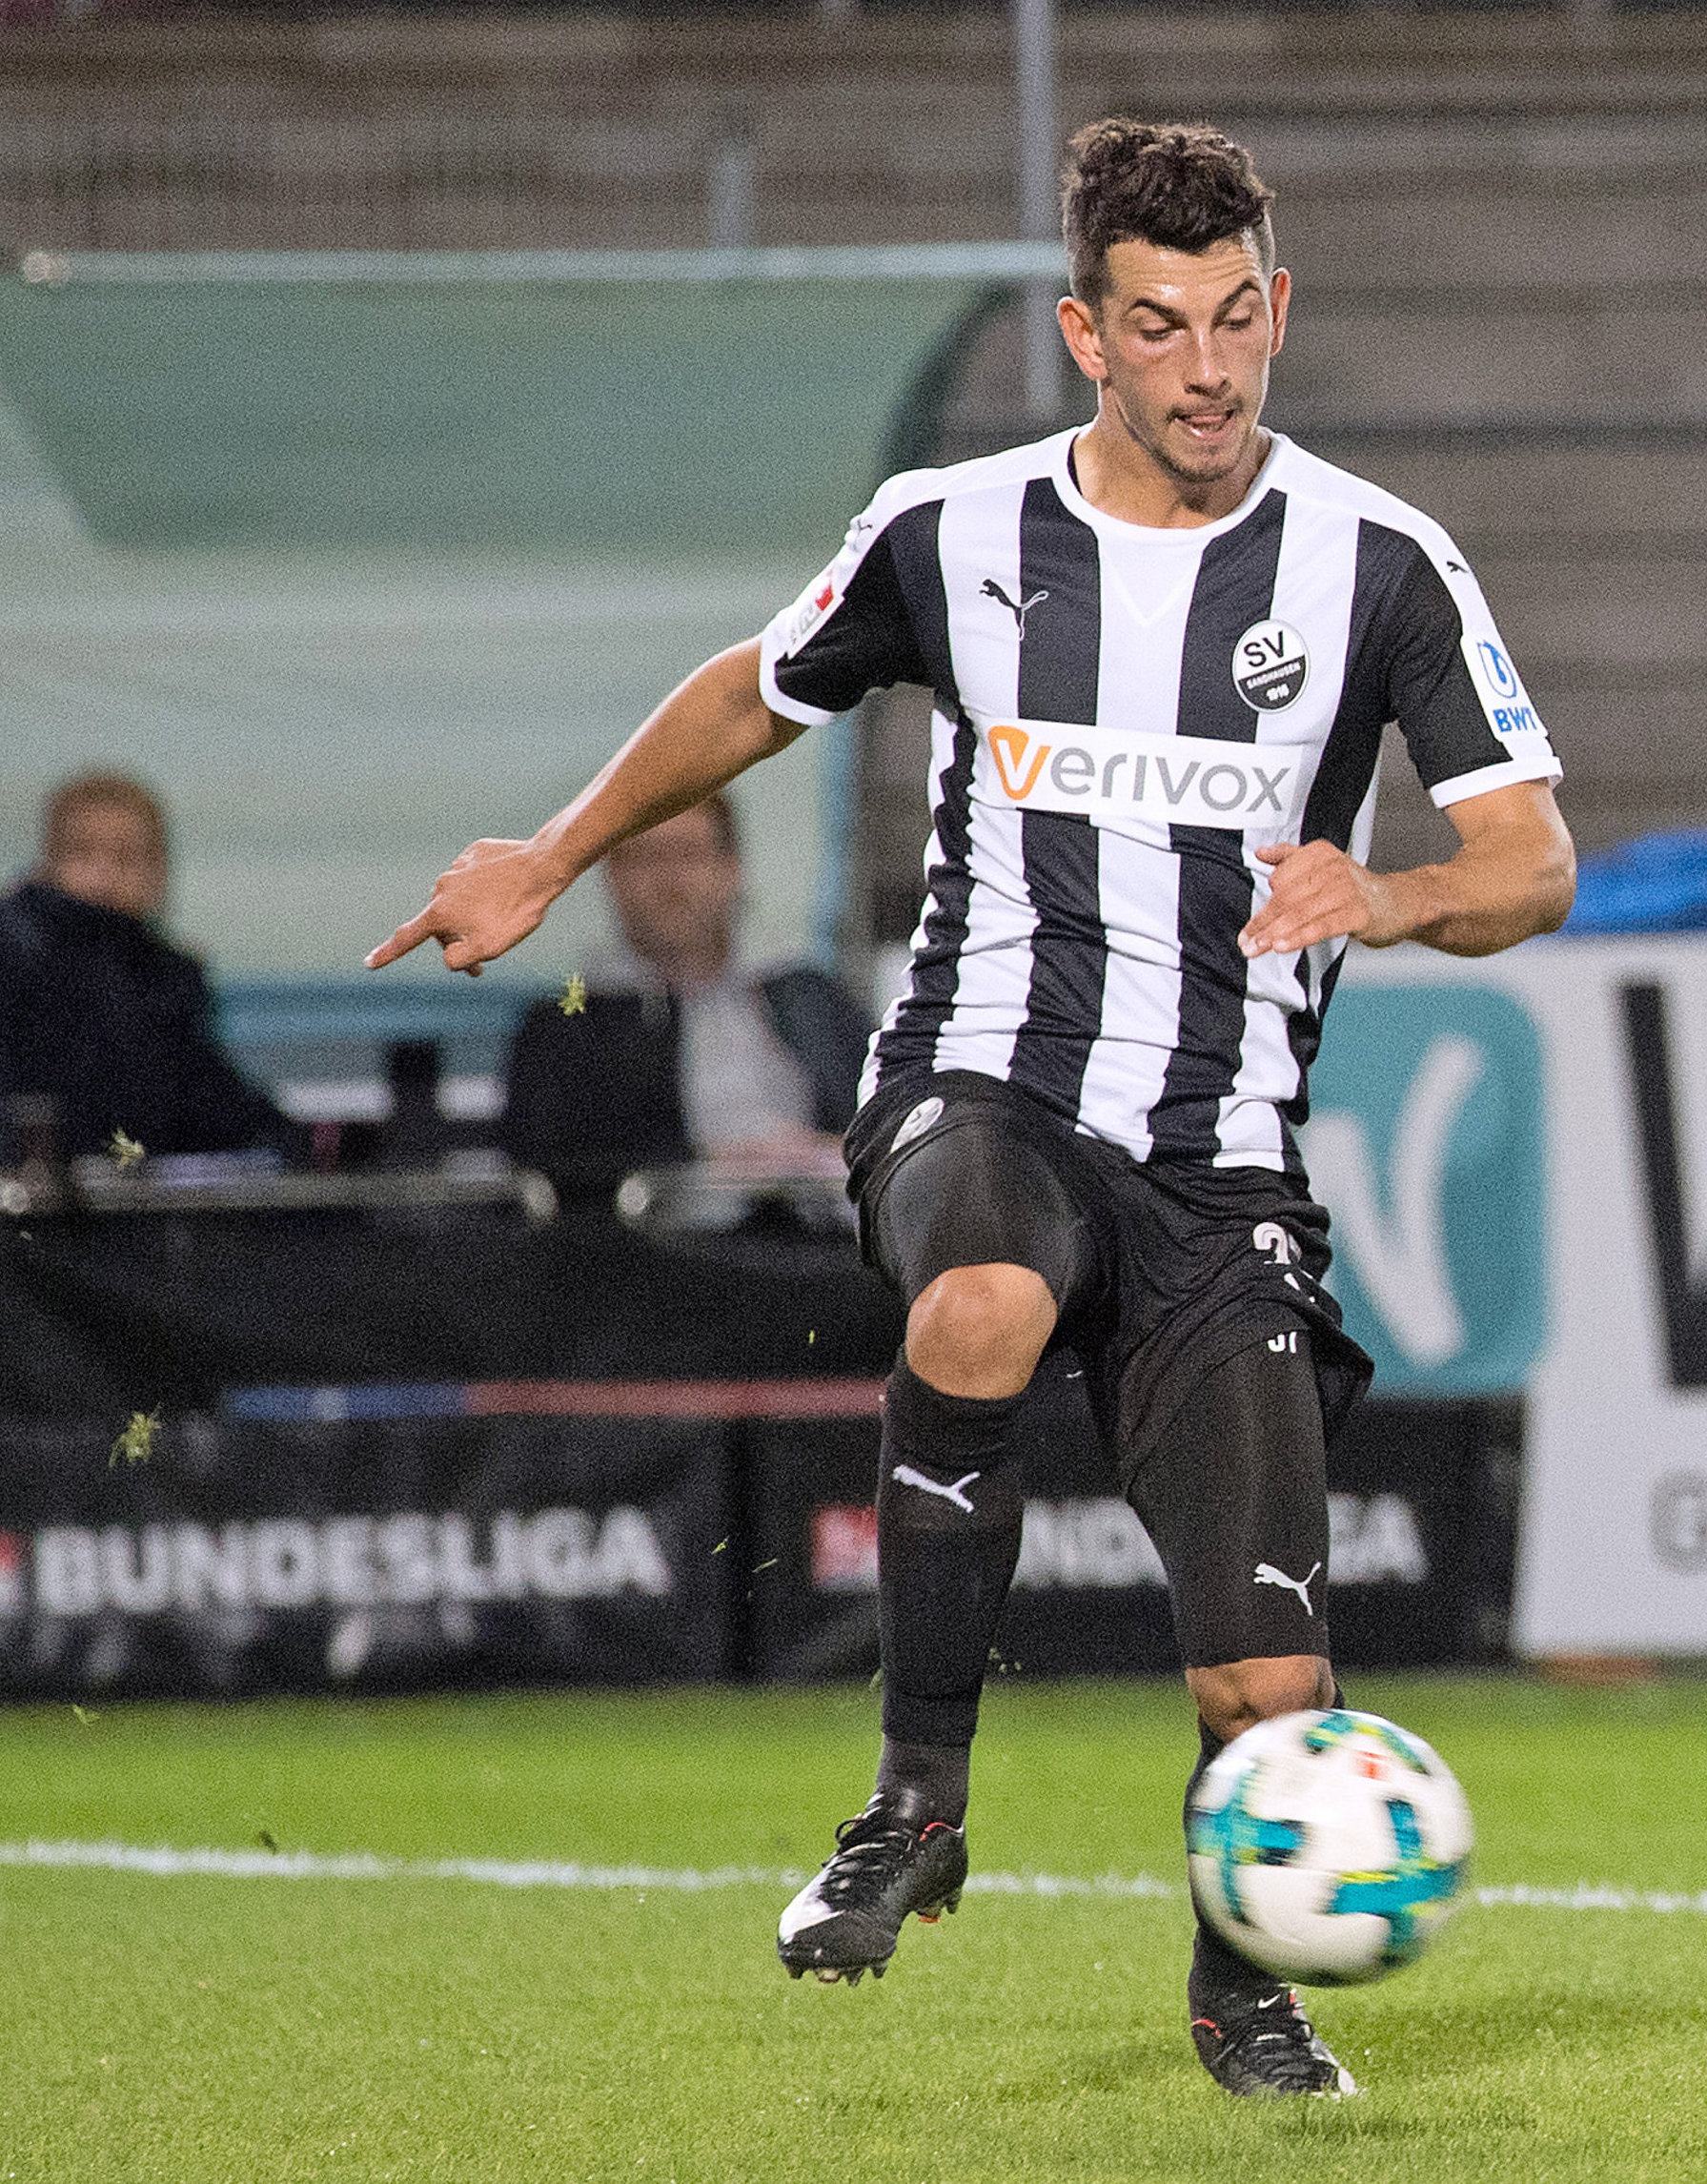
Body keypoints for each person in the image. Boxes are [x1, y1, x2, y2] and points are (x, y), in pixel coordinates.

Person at [370, 119, 1574, 2099]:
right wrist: (561, 849)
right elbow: (756, 685)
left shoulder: (1378, 561)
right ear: (1081, 333)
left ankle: (1237, 1989)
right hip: (980, 1075)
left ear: (1279, 310)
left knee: (1267, 1683)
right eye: (1159, 324)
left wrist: (1398, 890)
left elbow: (1530, 862)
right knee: (979, 1306)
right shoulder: (955, 528)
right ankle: (913, 1798)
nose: (1207, 366)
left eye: (1237, 318)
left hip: (1220, 1157)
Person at [496, 792, 867, 1191]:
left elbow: (883, 1113)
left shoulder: (804, 993)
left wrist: (830, 1156)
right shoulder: (571, 1010)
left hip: (805, 1235)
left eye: (689, 854)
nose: (669, 880)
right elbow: (555, 1158)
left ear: (732, 869)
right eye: (646, 858)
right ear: (612, 876)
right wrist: (704, 1164)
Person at [0, 770, 293, 1164]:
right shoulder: (18, 964)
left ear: (158, 873)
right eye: (82, 852)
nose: (103, 876)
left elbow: (206, 1106)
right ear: (48, 863)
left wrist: (305, 1144)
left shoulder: (166, 981)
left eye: (126, 857)